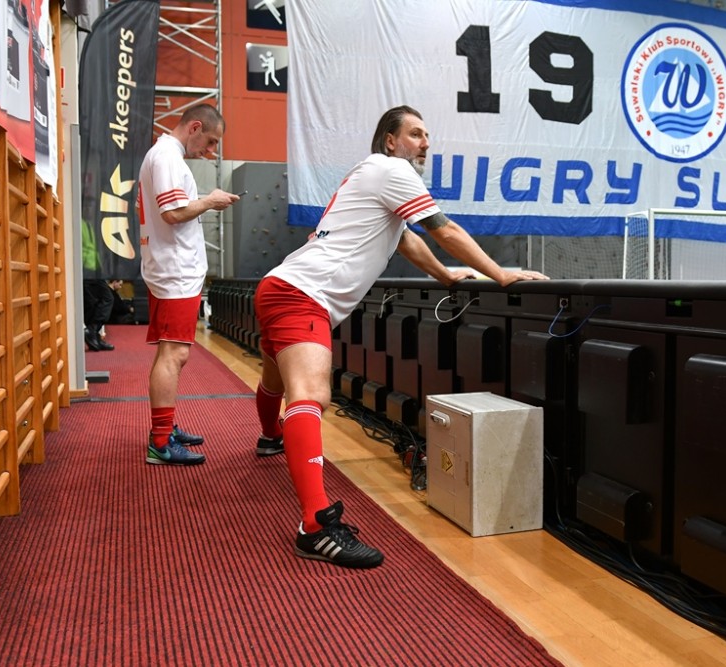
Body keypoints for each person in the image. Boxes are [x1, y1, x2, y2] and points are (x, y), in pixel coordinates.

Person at [253, 105, 549, 569]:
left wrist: (446, 277)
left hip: (280, 285)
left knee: (276, 379)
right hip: (303, 294)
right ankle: (315, 527)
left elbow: (407, 240)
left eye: (427, 135)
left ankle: (271, 437)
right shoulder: (394, 170)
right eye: (415, 133)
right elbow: (444, 230)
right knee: (310, 395)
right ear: (390, 140)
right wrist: (501, 274)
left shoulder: (372, 174)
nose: (425, 142)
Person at [137, 104, 241, 466]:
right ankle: (160, 442)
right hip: (175, 271)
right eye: (210, 141)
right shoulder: (167, 156)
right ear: (195, 127)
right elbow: (172, 213)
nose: (209, 151)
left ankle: (164, 428)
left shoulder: (164, 156)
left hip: (172, 268)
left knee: (171, 353)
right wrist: (209, 201)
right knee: (174, 354)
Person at [82, 278, 118, 351]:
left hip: (90, 275)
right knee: (107, 298)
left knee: (92, 302)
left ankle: (94, 335)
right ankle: (92, 330)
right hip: (92, 274)